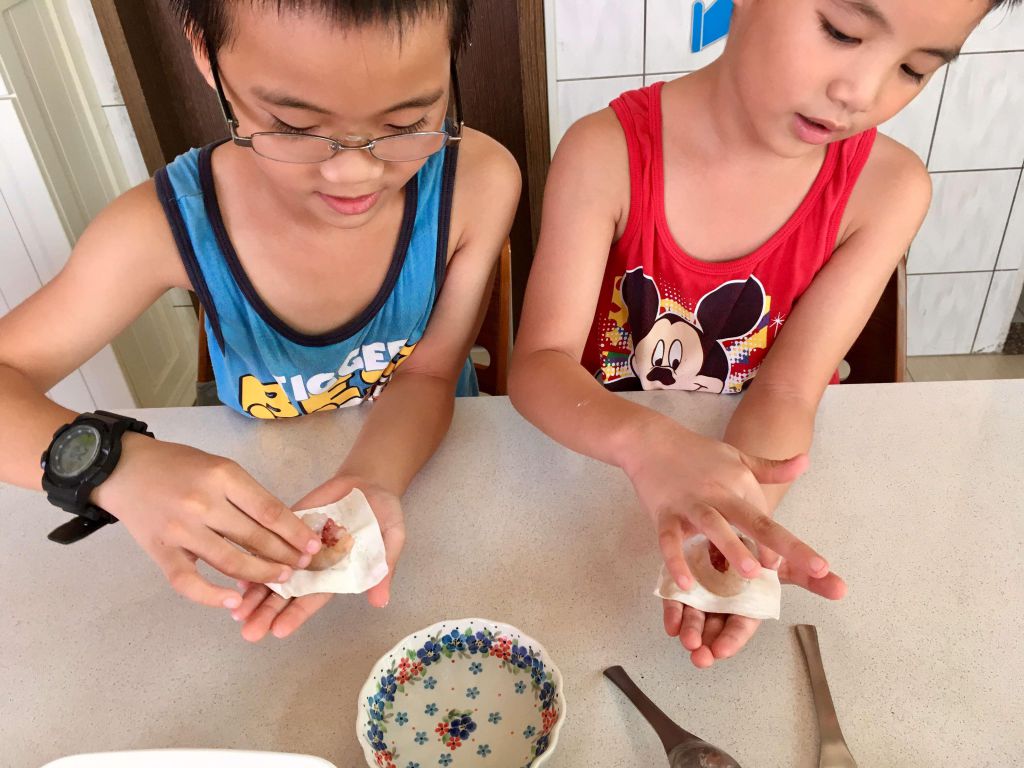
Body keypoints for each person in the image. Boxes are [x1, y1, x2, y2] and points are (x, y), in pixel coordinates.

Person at [508, 0, 1018, 668]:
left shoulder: (887, 189)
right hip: (593, 458)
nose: (860, 94)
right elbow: (539, 366)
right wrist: (649, 446)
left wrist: (734, 527)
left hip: (744, 461)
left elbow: (788, 388)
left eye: (913, 69)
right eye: (841, 32)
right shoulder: (604, 152)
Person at [0, 0, 519, 642]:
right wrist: (115, 467)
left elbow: (431, 371)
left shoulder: (477, 182)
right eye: (294, 127)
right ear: (205, 52)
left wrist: (370, 479)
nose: (354, 172)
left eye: (409, 121)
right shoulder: (160, 227)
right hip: (257, 523)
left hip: (438, 485)